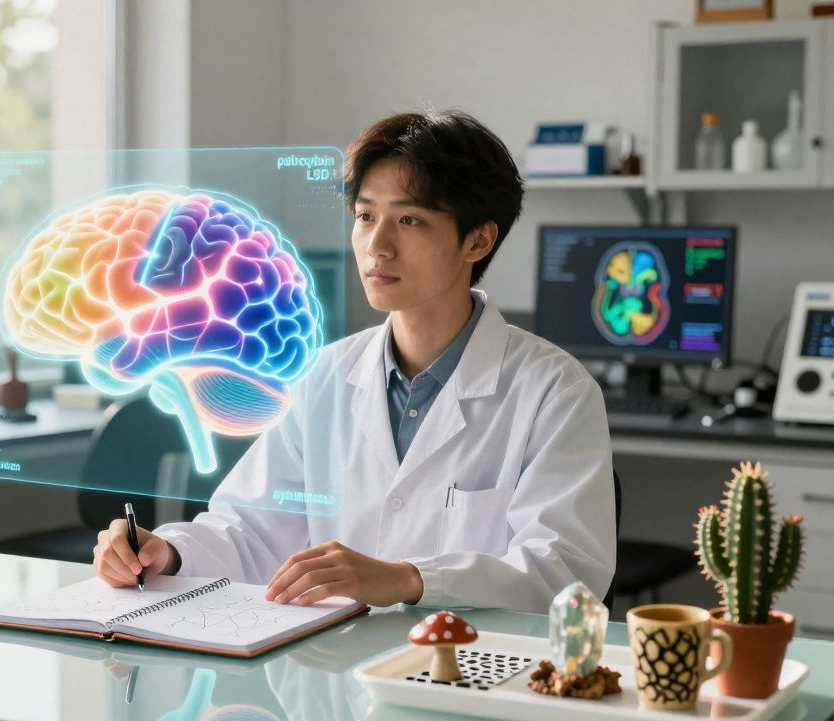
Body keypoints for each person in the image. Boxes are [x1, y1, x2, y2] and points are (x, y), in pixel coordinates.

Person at [93, 110, 615, 612]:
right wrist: (168, 551)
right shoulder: (323, 377)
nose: (377, 247)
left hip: (475, 676)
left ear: (477, 240)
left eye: (409, 219)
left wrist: (410, 580)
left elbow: (565, 573)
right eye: (366, 217)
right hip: (336, 675)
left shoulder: (555, 391)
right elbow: (252, 529)